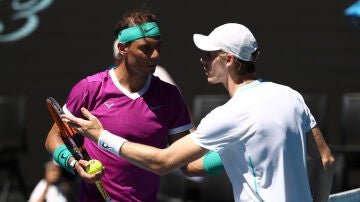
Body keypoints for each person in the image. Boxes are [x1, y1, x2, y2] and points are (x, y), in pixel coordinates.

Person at [63, 23, 336, 202]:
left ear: (228, 60)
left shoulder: (228, 115)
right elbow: (326, 161)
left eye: (209, 54)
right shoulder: (291, 96)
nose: (202, 59)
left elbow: (162, 162)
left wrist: (101, 136)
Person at [44, 10, 198, 202]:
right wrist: (74, 163)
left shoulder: (170, 96)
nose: (156, 55)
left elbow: (185, 161)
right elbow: (54, 137)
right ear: (123, 48)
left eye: (158, 47)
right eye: (146, 48)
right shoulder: (89, 89)